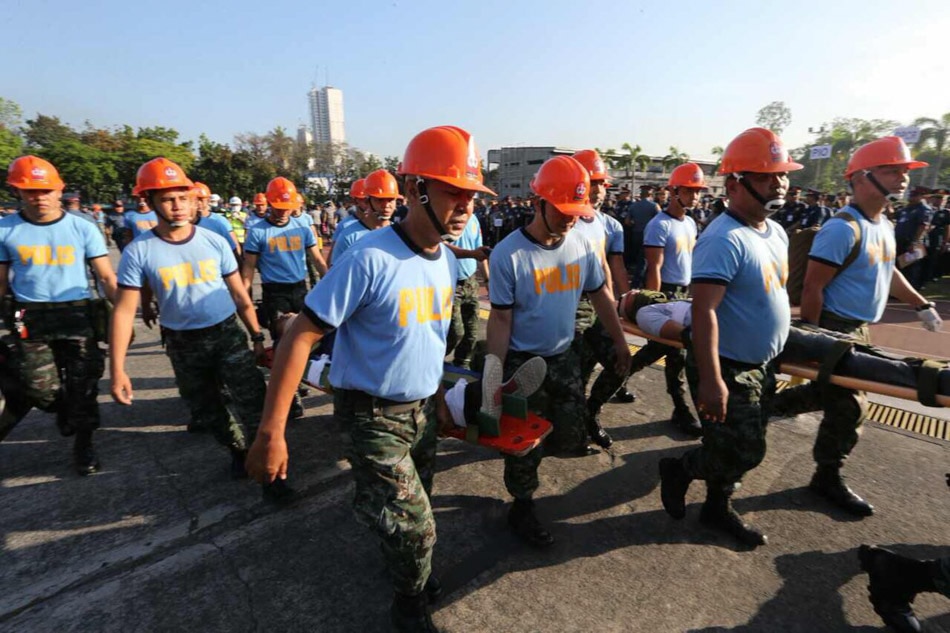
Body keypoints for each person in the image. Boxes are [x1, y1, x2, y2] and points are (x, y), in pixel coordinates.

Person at [246, 125, 494, 632]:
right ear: (413, 190)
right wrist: (272, 431)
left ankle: (405, 563)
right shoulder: (369, 258)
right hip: (371, 417)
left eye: (471, 195)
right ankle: (408, 607)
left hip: (422, 412)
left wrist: (441, 394)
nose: (466, 206)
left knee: (411, 515)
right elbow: (299, 336)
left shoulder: (445, 261)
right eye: (453, 192)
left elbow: (425, 339)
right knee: (417, 529)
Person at [769, 136, 940, 518]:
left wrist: (920, 303)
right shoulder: (841, 228)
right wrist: (814, 336)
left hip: (860, 328)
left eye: (904, 171)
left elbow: (887, 269)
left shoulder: (882, 224)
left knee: (831, 395)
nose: (902, 178)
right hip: (835, 327)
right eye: (892, 170)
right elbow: (814, 286)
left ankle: (762, 407)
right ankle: (826, 477)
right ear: (862, 177)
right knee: (849, 406)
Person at [109, 158, 288, 501]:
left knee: (253, 403)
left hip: (226, 334)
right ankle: (237, 450)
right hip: (182, 343)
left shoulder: (213, 241)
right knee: (206, 411)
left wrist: (255, 336)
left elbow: (239, 293)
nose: (177, 206)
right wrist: (117, 368)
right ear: (149, 200)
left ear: (194, 199)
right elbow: (123, 310)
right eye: (167, 199)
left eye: (183, 197)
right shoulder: (138, 252)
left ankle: (271, 477)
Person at [658, 127, 801, 547]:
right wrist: (712, 379)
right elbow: (704, 311)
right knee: (744, 450)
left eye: (782, 175)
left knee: (741, 444)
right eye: (768, 177)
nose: (780, 184)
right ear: (736, 184)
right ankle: (681, 469)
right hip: (729, 365)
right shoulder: (723, 238)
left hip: (762, 361)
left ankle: (717, 507)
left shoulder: (775, 232)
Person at [486, 155, 631, 548]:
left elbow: (600, 293)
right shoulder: (508, 256)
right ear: (539, 203)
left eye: (577, 211)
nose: (571, 219)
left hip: (564, 357)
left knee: (569, 435)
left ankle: (529, 471)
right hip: (522, 362)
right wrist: (492, 383)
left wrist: (620, 340)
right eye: (564, 211)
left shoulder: (582, 243)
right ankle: (522, 504)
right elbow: (499, 322)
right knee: (523, 443)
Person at [0, 155, 117, 475]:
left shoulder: (82, 226)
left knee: (84, 384)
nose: (40, 198)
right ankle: (64, 408)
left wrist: (120, 317)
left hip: (77, 314)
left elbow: (105, 277)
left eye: (46, 191)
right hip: (29, 317)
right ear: (18, 192)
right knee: (38, 387)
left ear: (59, 190)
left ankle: (84, 443)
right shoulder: (5, 229)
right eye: (31, 192)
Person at [633, 162, 704, 436]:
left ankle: (618, 373)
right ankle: (681, 409)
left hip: (684, 292)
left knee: (660, 352)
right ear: (674, 191)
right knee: (677, 354)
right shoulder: (659, 225)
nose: (695, 197)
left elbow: (692, 261)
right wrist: (656, 303)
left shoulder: (690, 222)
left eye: (697, 191)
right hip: (667, 292)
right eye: (689, 191)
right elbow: (655, 267)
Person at [568, 149, 632, 448]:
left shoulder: (605, 223)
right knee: (576, 375)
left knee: (620, 363)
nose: (598, 190)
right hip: (572, 306)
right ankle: (572, 425)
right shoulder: (564, 218)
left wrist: (618, 301)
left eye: (602, 184)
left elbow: (607, 264)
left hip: (600, 304)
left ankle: (591, 413)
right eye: (592, 182)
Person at [445, 213, 490, 369]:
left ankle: (461, 367)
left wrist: (487, 279)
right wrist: (471, 254)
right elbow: (442, 246)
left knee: (471, 333)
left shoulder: (474, 219)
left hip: (470, 281)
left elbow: (480, 253)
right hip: (450, 283)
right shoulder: (443, 215)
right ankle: (431, 363)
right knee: (455, 333)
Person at [328, 171, 395, 266]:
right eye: (380, 200)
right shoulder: (348, 235)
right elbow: (334, 270)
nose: (386, 205)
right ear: (368, 201)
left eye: (391, 200)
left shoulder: (399, 233)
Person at [895, 186, 935, 290]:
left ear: (922, 196)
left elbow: (923, 226)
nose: (911, 197)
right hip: (901, 241)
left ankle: (909, 290)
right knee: (899, 266)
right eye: (910, 195)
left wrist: (915, 242)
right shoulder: (907, 208)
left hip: (913, 242)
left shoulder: (924, 209)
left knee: (910, 267)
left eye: (914, 195)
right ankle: (899, 289)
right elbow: (893, 216)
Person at [625, 184, 660, 286]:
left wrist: (637, 224)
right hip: (650, 236)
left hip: (636, 234)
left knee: (640, 260)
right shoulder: (654, 206)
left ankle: (638, 281)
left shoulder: (633, 206)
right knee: (647, 261)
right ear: (650, 193)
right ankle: (639, 282)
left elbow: (627, 221)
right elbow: (660, 221)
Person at [192, 182, 241, 257]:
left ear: (208, 200)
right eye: (195, 199)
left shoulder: (220, 221)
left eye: (201, 199)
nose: (198, 203)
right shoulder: (186, 223)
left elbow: (234, 246)